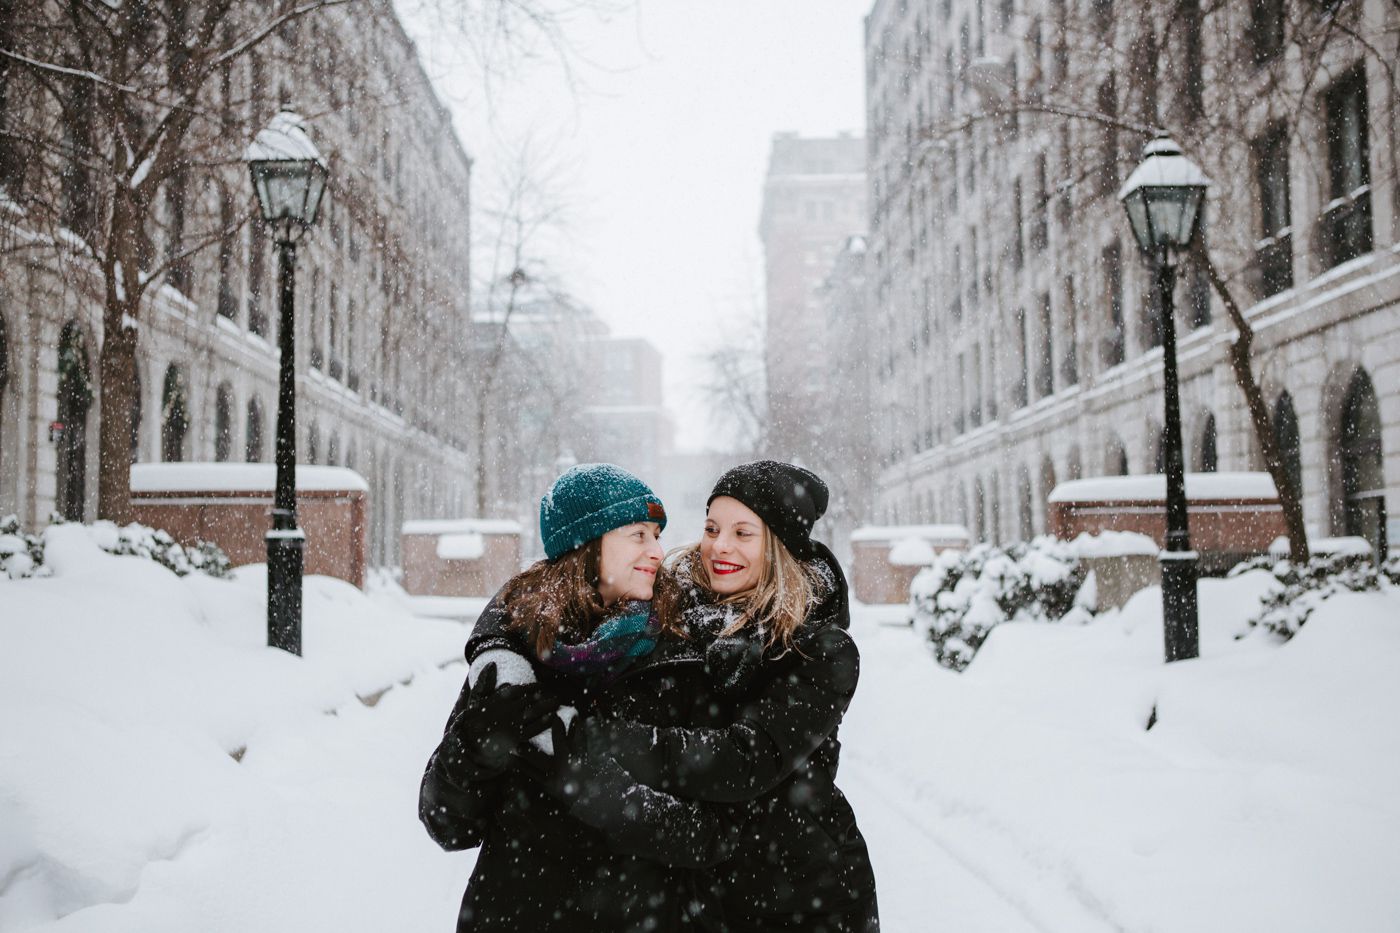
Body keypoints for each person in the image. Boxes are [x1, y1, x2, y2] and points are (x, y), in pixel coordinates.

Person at [469, 460, 880, 931]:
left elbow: (744, 760)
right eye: (711, 527)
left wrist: (584, 739)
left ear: (780, 547)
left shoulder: (821, 651)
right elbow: (560, 583)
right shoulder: (676, 608)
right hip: (701, 893)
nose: (719, 546)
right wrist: (496, 652)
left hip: (802, 889)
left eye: (743, 533)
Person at [418, 463, 745, 933]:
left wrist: (605, 794)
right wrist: (473, 748)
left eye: (657, 535)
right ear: (586, 545)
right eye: (638, 535)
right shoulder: (514, 651)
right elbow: (447, 825)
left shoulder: (682, 654)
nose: (657, 551)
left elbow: (714, 835)